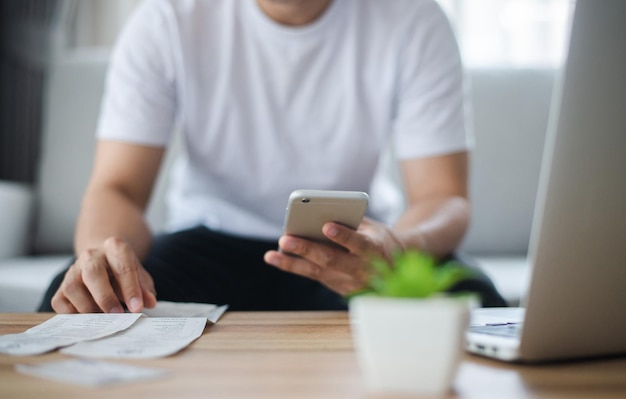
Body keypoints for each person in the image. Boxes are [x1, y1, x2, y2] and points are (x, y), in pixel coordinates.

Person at [39, 0, 506, 314]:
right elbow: (117, 187)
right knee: (80, 299)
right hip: (206, 245)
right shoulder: (168, 18)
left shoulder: (413, 18)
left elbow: (443, 196)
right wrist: (102, 255)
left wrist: (398, 249)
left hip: (348, 251)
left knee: (472, 297)